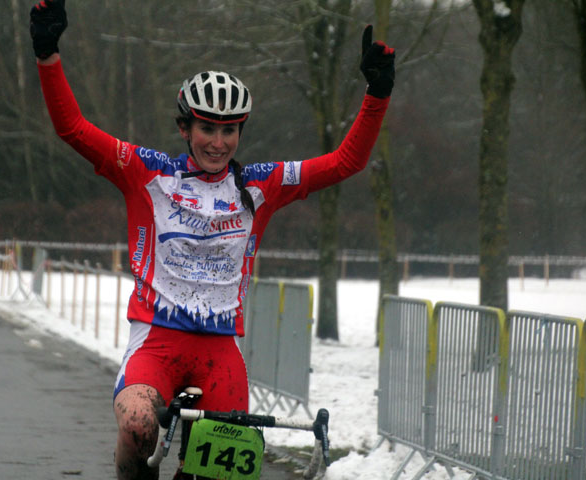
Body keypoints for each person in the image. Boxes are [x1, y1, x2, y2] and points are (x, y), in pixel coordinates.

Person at [30, 1, 394, 478]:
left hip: (220, 349)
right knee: (139, 426)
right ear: (185, 128)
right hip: (156, 341)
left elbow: (346, 162)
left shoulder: (260, 185)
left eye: (228, 131)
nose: (217, 143)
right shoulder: (147, 172)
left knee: (223, 470)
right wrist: (47, 55)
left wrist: (377, 94)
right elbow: (71, 128)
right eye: (206, 128)